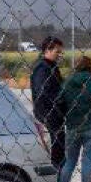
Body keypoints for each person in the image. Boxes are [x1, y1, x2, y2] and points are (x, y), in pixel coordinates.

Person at [30, 37, 66, 167]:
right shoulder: (42, 69)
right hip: (49, 116)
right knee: (57, 154)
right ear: (47, 50)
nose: (60, 55)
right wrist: (62, 98)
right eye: (58, 52)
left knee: (60, 151)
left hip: (54, 115)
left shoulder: (50, 67)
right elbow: (44, 93)